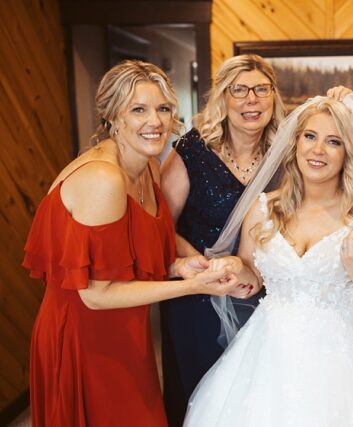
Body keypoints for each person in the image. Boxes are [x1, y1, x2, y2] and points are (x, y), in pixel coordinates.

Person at [183, 94, 353, 426]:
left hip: (344, 360)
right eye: (310, 136)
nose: (317, 150)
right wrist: (235, 268)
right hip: (269, 352)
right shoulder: (263, 209)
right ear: (295, 142)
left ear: (348, 153)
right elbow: (252, 273)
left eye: (333, 142)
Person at [22, 60, 244, 426]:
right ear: (112, 117)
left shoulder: (149, 167)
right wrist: (190, 286)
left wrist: (178, 263)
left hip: (128, 328)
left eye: (162, 108)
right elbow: (95, 294)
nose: (154, 121)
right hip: (83, 335)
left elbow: (137, 240)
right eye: (138, 109)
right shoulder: (104, 179)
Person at [159, 54, 286, 425]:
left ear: (274, 97)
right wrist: (203, 268)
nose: (252, 100)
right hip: (197, 289)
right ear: (223, 98)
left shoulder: (287, 153)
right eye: (240, 90)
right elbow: (162, 223)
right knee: (202, 391)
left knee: (257, 396)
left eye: (262, 89)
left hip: (261, 291)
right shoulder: (194, 150)